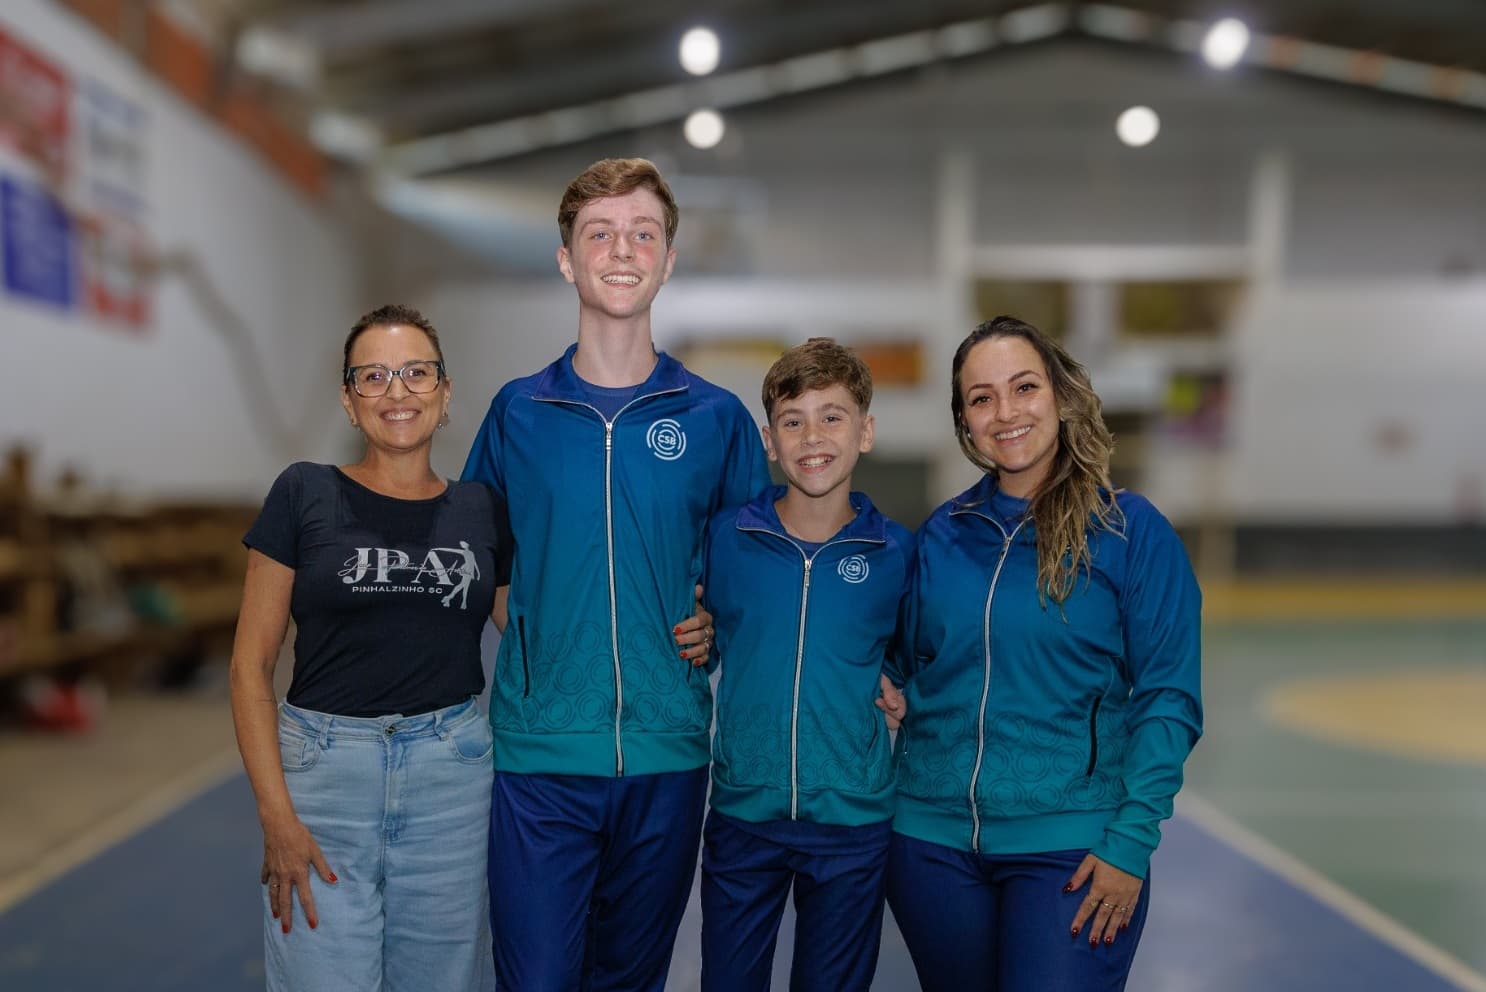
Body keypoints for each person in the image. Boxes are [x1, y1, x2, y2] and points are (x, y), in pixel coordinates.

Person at [462, 157, 770, 991]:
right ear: (567, 258)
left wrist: (719, 620)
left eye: (643, 233)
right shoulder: (519, 412)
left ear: (669, 260)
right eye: (600, 233)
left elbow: (756, 569)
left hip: (669, 755)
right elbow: (478, 553)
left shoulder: (716, 419)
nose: (622, 249)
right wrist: (529, 626)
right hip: (540, 760)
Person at [883, 315, 1203, 992]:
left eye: (1023, 387)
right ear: (963, 422)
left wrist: (1131, 842)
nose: (1005, 412)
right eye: (980, 398)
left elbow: (1169, 697)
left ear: (1058, 396)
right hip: (930, 846)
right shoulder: (944, 534)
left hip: (1074, 849)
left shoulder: (1129, 531)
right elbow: (903, 660)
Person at [229, 304, 510, 991]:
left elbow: (538, 636)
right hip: (325, 779)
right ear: (349, 400)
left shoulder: (483, 508)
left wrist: (681, 621)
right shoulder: (304, 493)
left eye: (416, 373)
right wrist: (276, 815)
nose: (397, 391)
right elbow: (248, 668)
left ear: (444, 393)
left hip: (453, 778)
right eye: (374, 376)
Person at [698, 338, 913, 992]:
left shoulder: (897, 551)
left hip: (852, 824)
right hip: (742, 814)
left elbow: (916, 659)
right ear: (770, 441)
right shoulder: (726, 539)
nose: (812, 436)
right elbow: (694, 621)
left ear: (866, 431)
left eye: (833, 417)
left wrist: (903, 691)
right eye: (793, 421)